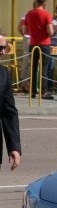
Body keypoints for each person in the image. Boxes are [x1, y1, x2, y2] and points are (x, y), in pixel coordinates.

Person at [18, 0, 54, 99]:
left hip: (32, 44)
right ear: (45, 4)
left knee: (33, 68)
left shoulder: (29, 13)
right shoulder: (47, 14)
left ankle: (32, 92)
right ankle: (44, 92)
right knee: (44, 68)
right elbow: (50, 31)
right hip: (44, 44)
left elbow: (25, 31)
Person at [0, 33, 21, 172]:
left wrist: (14, 147)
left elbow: (9, 112)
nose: (2, 52)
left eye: (4, 48)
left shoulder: (4, 74)